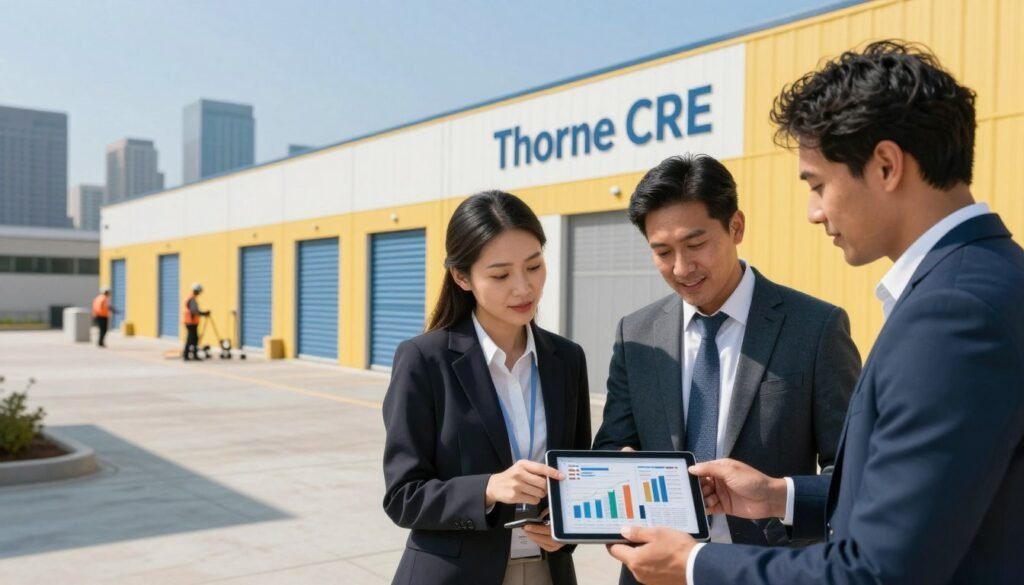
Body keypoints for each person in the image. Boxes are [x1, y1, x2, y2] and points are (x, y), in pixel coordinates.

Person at [607, 40, 1024, 585]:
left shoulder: (953, 312)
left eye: (818, 184)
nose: (813, 211)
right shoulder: (981, 279)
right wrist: (780, 494)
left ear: (885, 166)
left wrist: (691, 563)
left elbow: (877, 571)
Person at [592, 154, 860, 582]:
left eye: (695, 245)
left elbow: (853, 475)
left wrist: (778, 496)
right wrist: (621, 483)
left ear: (736, 226)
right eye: (662, 252)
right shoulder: (637, 334)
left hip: (766, 570)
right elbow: (611, 447)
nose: (681, 268)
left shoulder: (815, 328)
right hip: (656, 573)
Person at [382, 190, 592, 585]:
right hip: (454, 575)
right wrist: (489, 489)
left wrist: (565, 533)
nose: (524, 288)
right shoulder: (424, 360)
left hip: (549, 572)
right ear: (462, 277)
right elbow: (402, 497)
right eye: (500, 275)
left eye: (534, 266)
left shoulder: (567, 359)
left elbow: (574, 475)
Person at [182, 282, 210, 361]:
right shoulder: (192, 299)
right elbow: (194, 311)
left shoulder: (191, 298)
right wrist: (204, 313)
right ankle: (188, 355)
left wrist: (203, 313)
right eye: (199, 291)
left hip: (191, 322)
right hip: (191, 322)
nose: (199, 293)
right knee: (192, 339)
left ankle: (190, 355)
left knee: (193, 339)